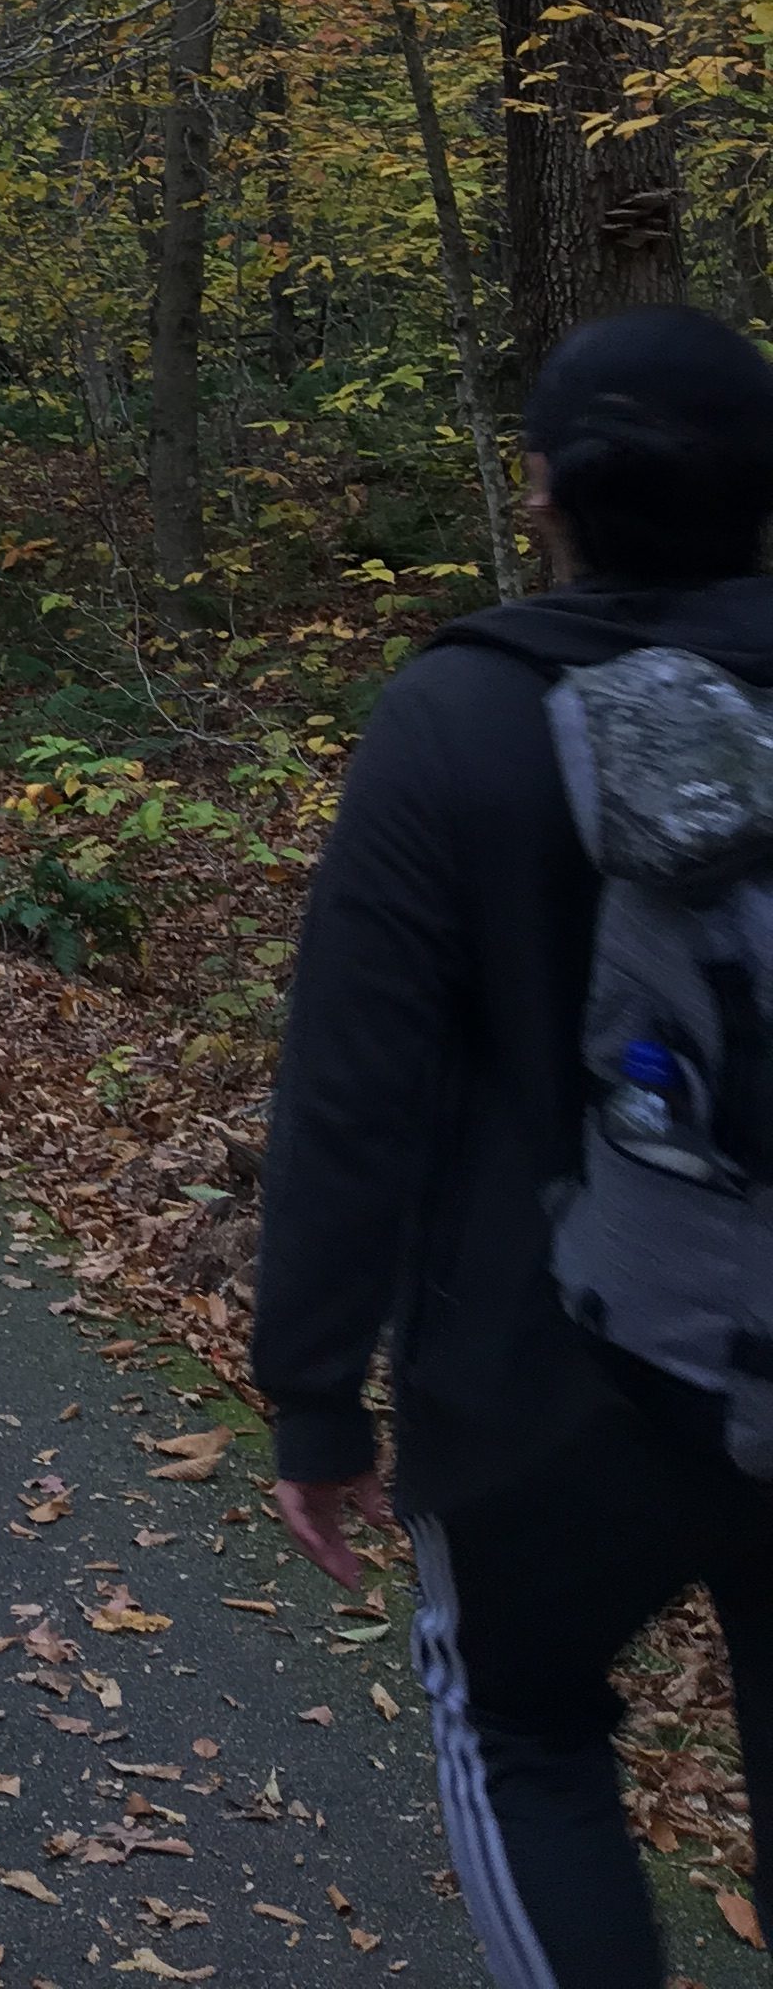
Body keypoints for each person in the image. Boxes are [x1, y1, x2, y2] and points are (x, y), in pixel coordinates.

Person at [254, 305, 773, 1989]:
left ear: (534, 484)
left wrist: (313, 1392)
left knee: (526, 1734)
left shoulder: (455, 717)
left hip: (542, 1372)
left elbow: (350, 1083)